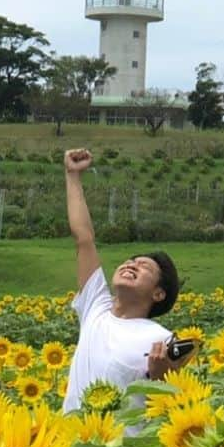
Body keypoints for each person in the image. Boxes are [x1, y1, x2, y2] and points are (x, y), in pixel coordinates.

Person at [60, 147, 192, 414]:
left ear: (158, 294)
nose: (132, 265)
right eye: (130, 261)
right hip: (72, 441)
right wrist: (72, 176)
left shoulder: (163, 340)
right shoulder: (94, 308)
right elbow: (83, 238)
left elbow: (178, 408)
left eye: (144, 267)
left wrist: (161, 376)